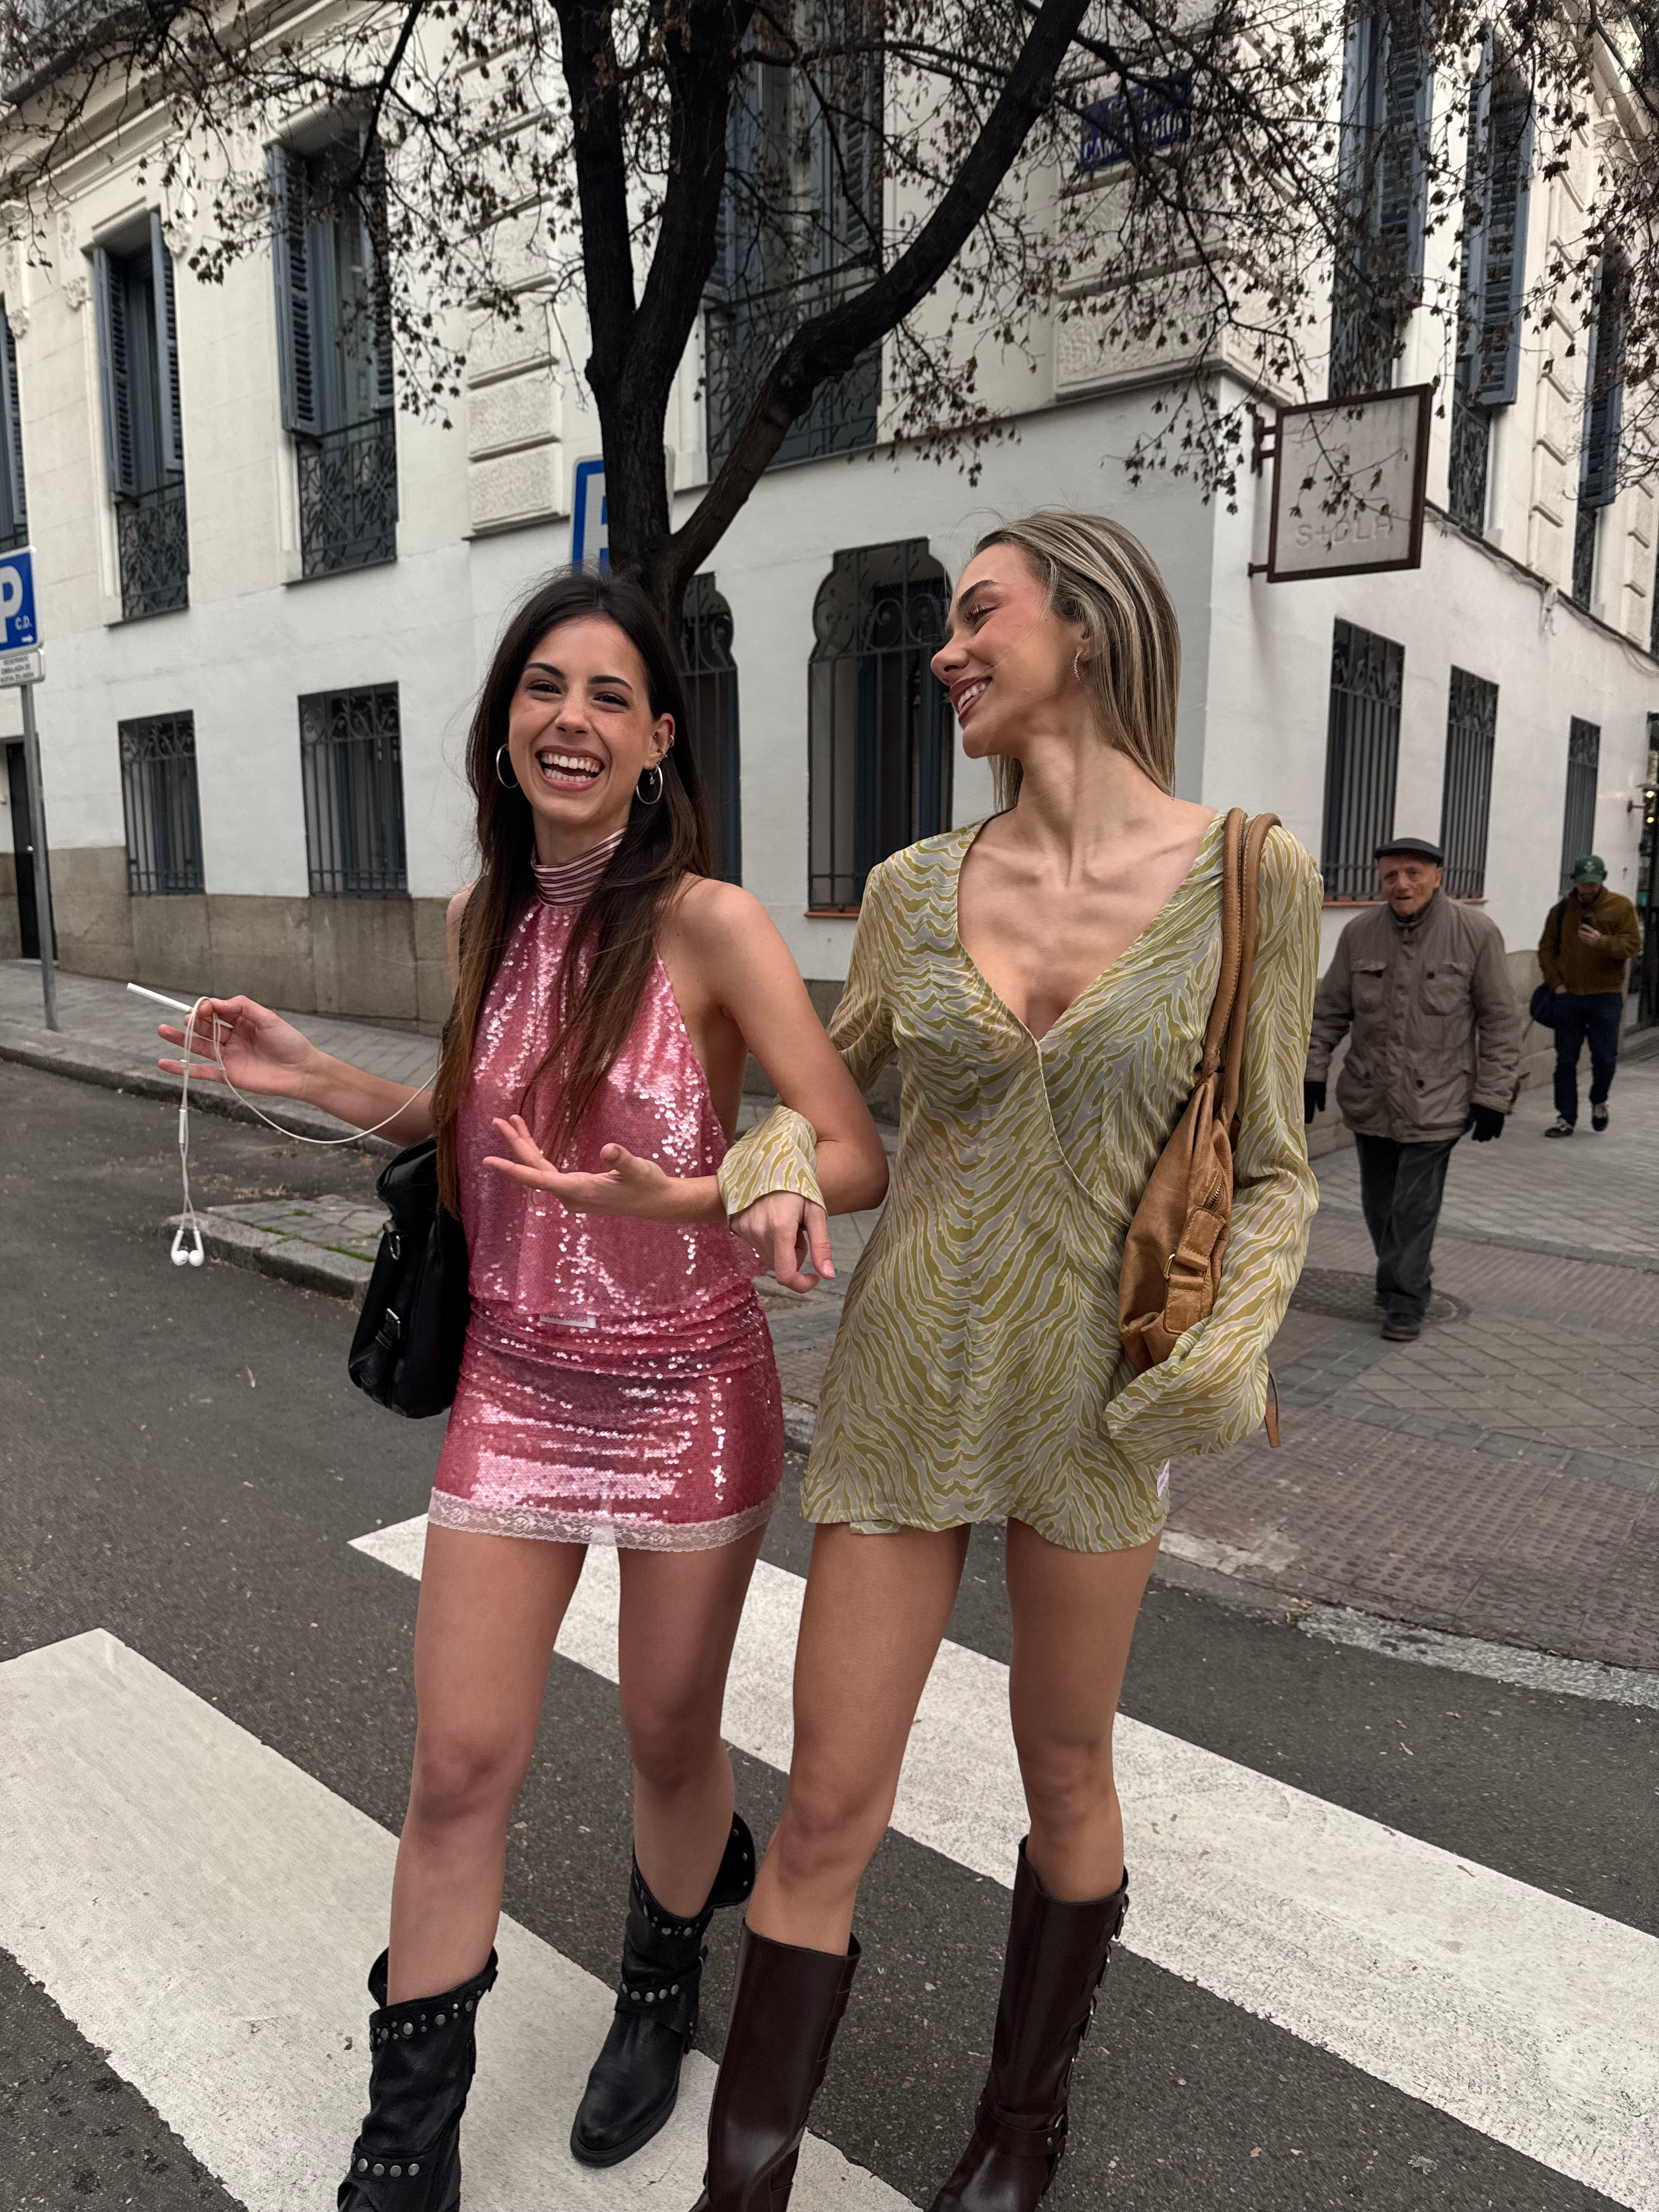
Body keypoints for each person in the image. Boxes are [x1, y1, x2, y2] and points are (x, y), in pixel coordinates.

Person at [517, 513, 1321, 2212]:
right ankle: (744, 2182)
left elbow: (1274, 1168)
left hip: (1099, 1402)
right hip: (906, 1379)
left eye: (979, 613)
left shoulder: (1253, 878)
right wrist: (765, 1171)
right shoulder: (911, 889)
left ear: (1086, 627)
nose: (947, 649)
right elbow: (827, 1104)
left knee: (1067, 1769)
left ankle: (1018, 2136)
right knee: (826, 1800)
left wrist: (1221, 1359)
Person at [155, 571, 888, 2209]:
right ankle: (403, 2149)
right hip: (515, 1382)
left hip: (688, 1389)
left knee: (666, 1736)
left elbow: (852, 1149)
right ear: (504, 731)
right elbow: (477, 1135)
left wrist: (700, 1194)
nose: (573, 717)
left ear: (659, 741)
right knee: (459, 1762)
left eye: (610, 695)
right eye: (544, 688)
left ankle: (659, 1983)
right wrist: (309, 1075)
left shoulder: (713, 925)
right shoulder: (480, 916)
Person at [1304, 834, 1519, 1343]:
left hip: (1439, 1099)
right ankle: (1407, 1269)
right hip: (1371, 1096)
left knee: (1412, 1207)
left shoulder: (1476, 933)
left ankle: (1405, 1300)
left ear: (1437, 877)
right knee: (1379, 1205)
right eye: (1390, 876)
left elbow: (1500, 1020)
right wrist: (1314, 1069)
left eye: (1413, 874)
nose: (1401, 884)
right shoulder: (1359, 933)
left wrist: (1493, 1095)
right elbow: (1329, 1010)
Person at [1538, 854, 1642, 1137]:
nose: (1588, 889)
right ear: (1575, 881)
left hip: (1606, 996)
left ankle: (1599, 1100)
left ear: (1603, 880)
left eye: (1593, 883)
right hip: (1568, 996)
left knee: (1605, 1058)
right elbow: (1547, 948)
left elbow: (1633, 944)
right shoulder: (1561, 911)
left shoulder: (1621, 907)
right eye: (1583, 883)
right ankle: (1566, 1117)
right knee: (1566, 1061)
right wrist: (1556, 983)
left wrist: (1602, 942)